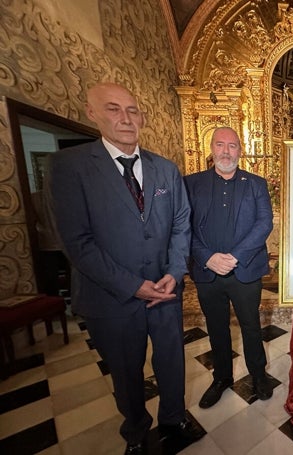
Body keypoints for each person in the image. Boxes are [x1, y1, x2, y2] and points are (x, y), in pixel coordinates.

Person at [47, 82, 200, 455]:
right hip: (110, 296)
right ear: (92, 113)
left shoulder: (165, 169)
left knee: (171, 359)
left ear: (142, 117)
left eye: (132, 110)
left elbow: (181, 223)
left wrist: (175, 270)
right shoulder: (70, 167)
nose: (125, 118)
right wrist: (133, 285)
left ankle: (174, 416)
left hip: (165, 289)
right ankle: (135, 431)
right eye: (113, 109)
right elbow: (77, 241)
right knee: (125, 370)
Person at [184, 126, 274, 408]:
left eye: (232, 146)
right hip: (207, 272)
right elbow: (183, 226)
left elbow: (264, 223)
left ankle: (258, 375)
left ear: (240, 150)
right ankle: (221, 378)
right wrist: (208, 257)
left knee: (250, 326)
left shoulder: (256, 184)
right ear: (211, 148)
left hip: (244, 270)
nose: (226, 151)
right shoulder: (190, 184)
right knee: (216, 327)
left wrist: (234, 256)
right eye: (220, 145)